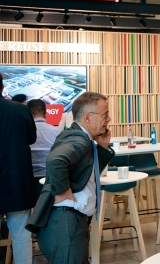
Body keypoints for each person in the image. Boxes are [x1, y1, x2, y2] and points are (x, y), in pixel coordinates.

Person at [27, 91, 114, 264]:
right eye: (105, 115)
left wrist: (102, 148)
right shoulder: (79, 139)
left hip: (69, 221)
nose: (109, 119)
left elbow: (86, 173)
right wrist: (63, 190)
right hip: (66, 223)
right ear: (87, 118)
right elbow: (55, 161)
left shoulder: (79, 136)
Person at [0, 73, 37, 264]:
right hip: (16, 180)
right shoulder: (20, 110)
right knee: (21, 233)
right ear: (2, 87)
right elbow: (31, 138)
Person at [28, 99, 61, 198]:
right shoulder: (57, 132)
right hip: (50, 179)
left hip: (27, 179)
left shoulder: (22, 132)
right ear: (46, 115)